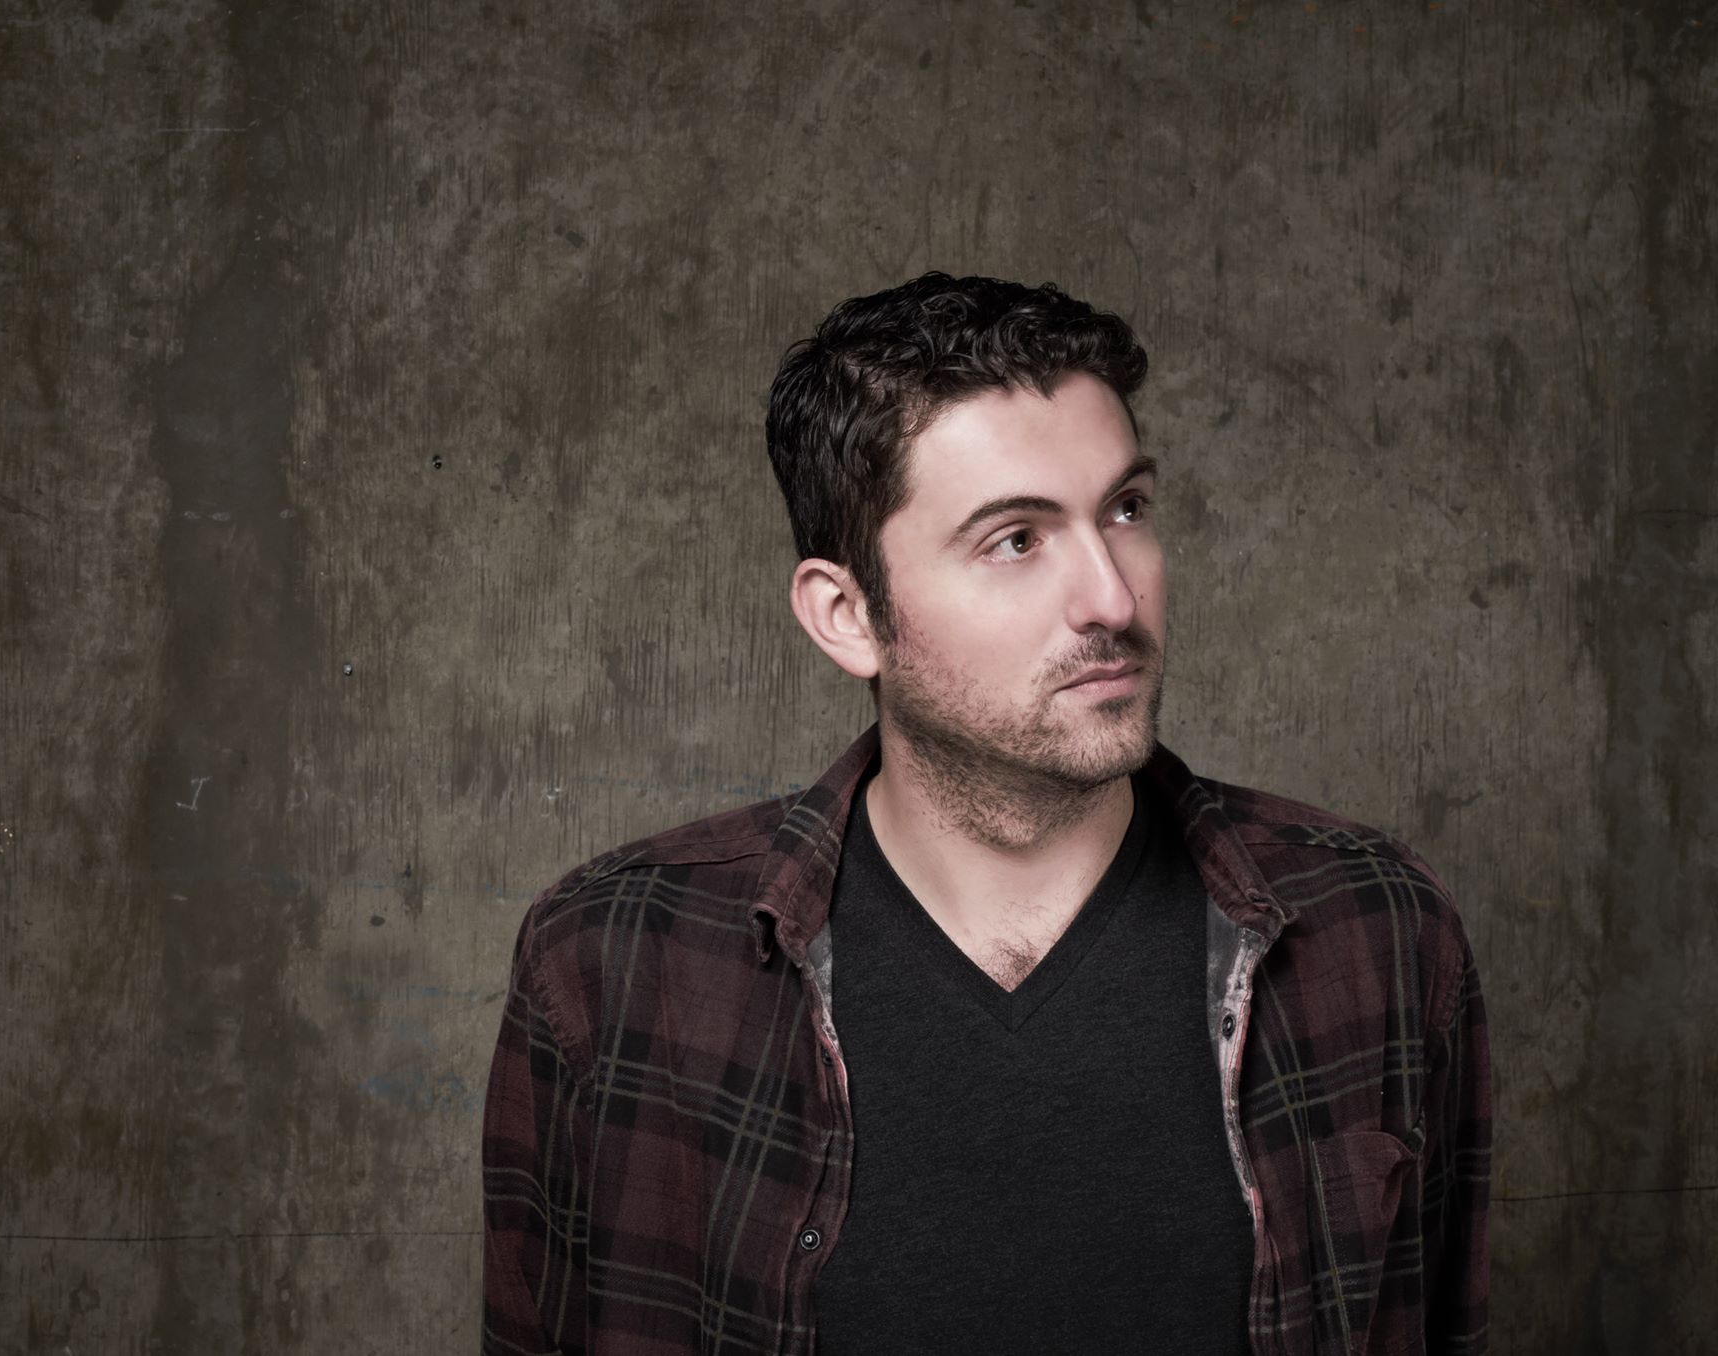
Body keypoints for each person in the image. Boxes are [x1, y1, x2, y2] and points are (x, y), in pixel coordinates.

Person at [482, 272, 1491, 1355]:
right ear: (847, 615)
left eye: (1125, 510)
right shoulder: (618, 963)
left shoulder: (1373, 931)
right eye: (1015, 539)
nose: (1112, 598)